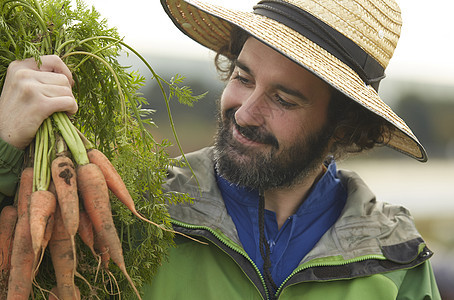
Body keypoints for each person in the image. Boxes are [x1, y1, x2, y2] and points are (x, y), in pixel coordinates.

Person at [0, 0, 441, 299]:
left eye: (284, 99)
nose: (245, 112)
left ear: (342, 128)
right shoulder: (136, 209)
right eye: (243, 77)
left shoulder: (397, 260)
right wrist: (5, 147)